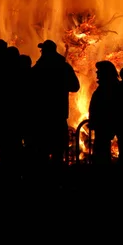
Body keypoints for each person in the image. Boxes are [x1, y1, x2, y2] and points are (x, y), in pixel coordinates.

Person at [31, 40, 80, 172]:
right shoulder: (64, 67)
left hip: (41, 115)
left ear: (45, 51)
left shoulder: (39, 68)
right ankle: (57, 176)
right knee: (58, 150)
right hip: (59, 113)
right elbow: (75, 86)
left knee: (42, 150)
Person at [89, 61, 120, 165]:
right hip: (103, 123)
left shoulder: (109, 87)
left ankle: (103, 171)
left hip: (105, 123)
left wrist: (96, 120)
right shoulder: (109, 85)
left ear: (105, 72)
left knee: (101, 149)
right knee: (102, 148)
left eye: (99, 71)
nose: (97, 73)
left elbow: (105, 106)